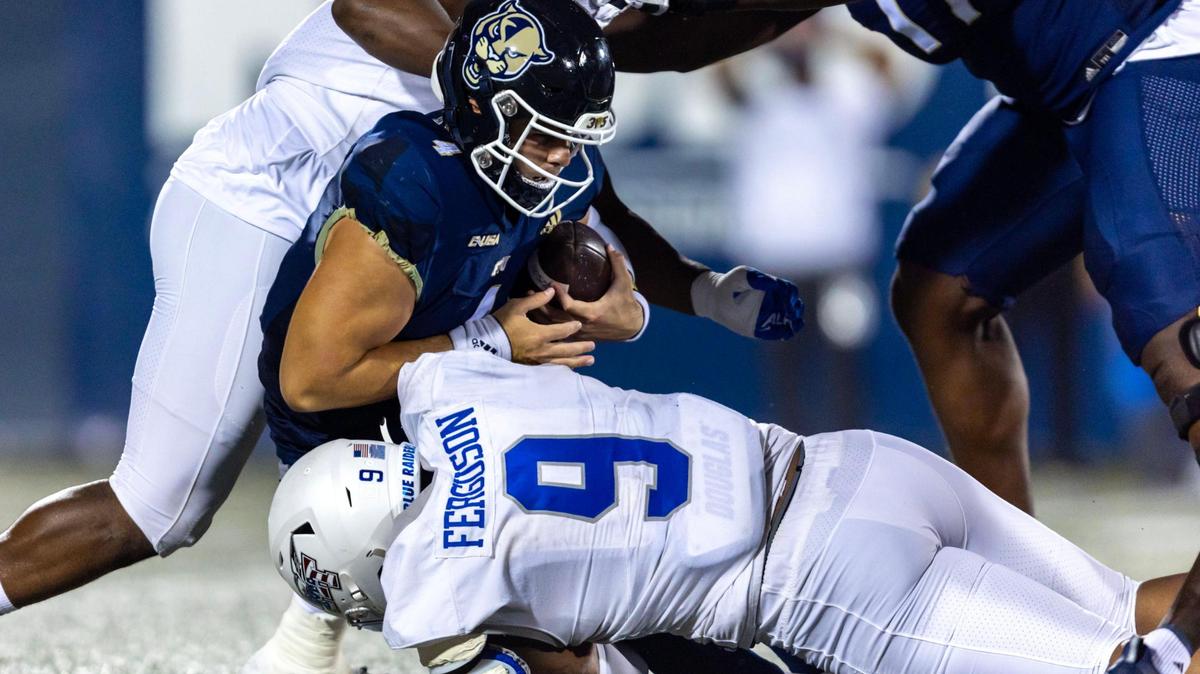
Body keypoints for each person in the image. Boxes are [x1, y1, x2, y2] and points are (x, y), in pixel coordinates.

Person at [0, 0, 811, 626]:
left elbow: (611, 135)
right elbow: (369, 8)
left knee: (452, 458)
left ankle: (313, 648)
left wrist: (703, 292)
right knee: (161, 505)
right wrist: (495, 94)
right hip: (276, 192)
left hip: (420, 194)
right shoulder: (483, 112)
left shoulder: (531, 125)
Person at [244, 2, 804, 672]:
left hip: (468, 394)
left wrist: (705, 295)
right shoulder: (416, 185)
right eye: (542, 134)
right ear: (483, 109)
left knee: (618, 543)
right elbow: (312, 380)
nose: (561, 155)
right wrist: (494, 342)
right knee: (512, 593)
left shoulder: (547, 164)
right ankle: (370, 631)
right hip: (356, 435)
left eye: (572, 136)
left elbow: (608, 218)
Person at [267, 349, 1195, 674]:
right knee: (1134, 612)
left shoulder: (439, 588)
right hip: (853, 461)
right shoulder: (445, 391)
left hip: (831, 583)